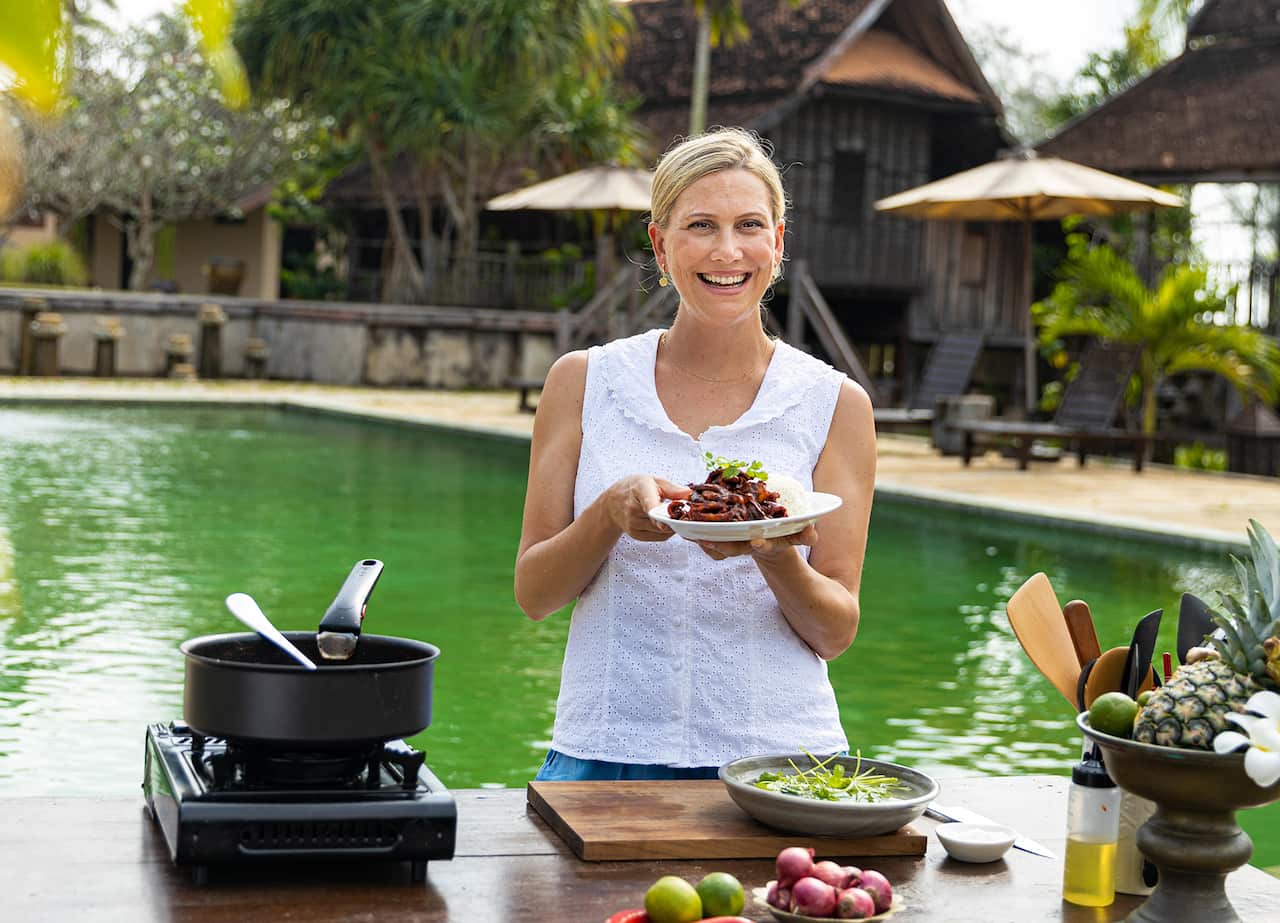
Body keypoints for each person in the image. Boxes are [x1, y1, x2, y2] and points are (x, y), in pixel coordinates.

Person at [514, 127, 876, 781]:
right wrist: (609, 512)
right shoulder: (583, 382)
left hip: (782, 762)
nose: (728, 250)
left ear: (778, 242)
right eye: (701, 225)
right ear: (660, 243)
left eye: (749, 225)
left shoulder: (837, 404)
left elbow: (835, 631)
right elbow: (535, 593)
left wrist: (770, 545)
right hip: (606, 750)